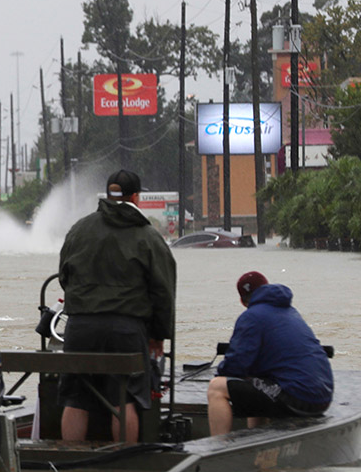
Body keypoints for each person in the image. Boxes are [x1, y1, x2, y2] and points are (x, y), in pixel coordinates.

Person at [56, 169, 176, 444]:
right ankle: (122, 459)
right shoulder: (148, 236)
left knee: (75, 396)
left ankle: (69, 456)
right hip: (126, 329)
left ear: (108, 194)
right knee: (125, 397)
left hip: (80, 327)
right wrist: (158, 334)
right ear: (136, 197)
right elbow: (163, 290)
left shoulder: (80, 229)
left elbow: (64, 276)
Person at [206, 272, 333, 436]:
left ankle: (217, 448)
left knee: (217, 387)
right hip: (322, 397)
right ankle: (256, 438)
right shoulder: (290, 311)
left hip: (298, 398)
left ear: (242, 301)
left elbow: (235, 365)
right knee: (254, 381)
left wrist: (221, 373)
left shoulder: (251, 316)